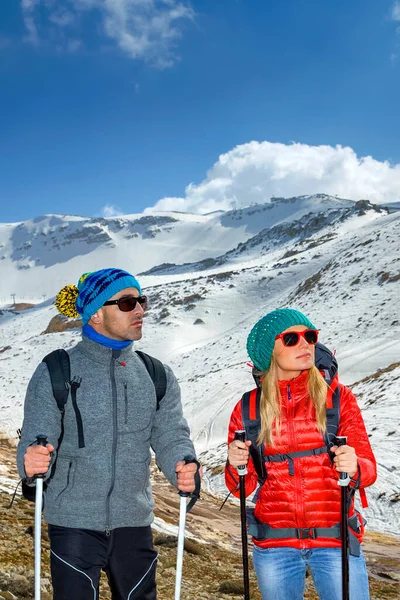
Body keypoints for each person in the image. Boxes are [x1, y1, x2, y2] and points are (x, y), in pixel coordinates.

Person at [17, 267, 200, 600]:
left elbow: (171, 435)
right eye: (128, 303)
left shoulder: (156, 375)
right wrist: (31, 458)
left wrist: (184, 466)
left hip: (135, 522)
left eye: (141, 301)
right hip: (73, 523)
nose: (141, 310)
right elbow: (37, 434)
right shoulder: (56, 370)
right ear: (96, 314)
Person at [225, 308, 377, 600]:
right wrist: (235, 465)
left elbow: (368, 471)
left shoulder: (337, 397)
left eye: (309, 336)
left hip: (335, 540)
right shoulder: (248, 409)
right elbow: (239, 487)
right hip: (274, 547)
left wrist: (355, 465)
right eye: (291, 338)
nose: (306, 344)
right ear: (268, 351)